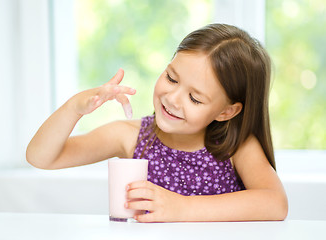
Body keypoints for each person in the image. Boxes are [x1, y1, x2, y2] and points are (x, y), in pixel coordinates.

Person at [26, 23, 288, 222]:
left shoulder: (234, 146)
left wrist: (182, 208)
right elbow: (42, 157)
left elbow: (276, 203)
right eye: (172, 78)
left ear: (226, 112)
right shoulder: (130, 136)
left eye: (195, 98)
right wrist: (74, 108)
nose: (172, 99)